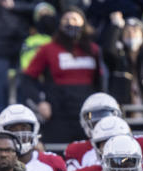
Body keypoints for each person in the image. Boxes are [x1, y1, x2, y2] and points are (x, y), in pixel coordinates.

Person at [22, 7, 102, 143]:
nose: (70, 23)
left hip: (88, 114)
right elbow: (27, 78)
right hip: (58, 114)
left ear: (84, 23)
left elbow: (100, 81)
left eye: (75, 19)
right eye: (66, 19)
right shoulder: (48, 49)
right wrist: (39, 102)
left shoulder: (94, 50)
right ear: (60, 24)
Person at [102, 11, 143, 109]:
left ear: (142, 35)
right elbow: (108, 51)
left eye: (135, 31)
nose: (131, 34)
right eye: (127, 31)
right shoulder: (118, 60)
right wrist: (116, 26)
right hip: (125, 115)